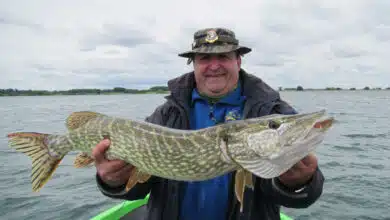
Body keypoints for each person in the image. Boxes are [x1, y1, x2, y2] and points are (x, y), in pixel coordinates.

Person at [92, 27, 325, 220]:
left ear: (238, 60)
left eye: (223, 56)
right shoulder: (166, 115)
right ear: (193, 64)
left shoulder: (271, 112)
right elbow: (138, 187)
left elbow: (303, 197)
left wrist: (299, 182)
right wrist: (113, 181)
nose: (214, 65)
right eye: (204, 58)